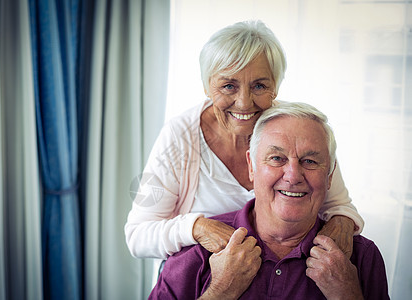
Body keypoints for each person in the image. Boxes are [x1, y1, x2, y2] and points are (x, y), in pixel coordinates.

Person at [125, 20, 363, 262]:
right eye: (229, 86)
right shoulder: (178, 137)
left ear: (276, 87)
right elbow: (138, 235)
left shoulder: (296, 128)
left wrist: (342, 221)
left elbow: (339, 206)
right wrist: (196, 228)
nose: (244, 103)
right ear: (207, 86)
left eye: (259, 85)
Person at [149, 102, 389, 299]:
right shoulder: (197, 253)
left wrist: (348, 295)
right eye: (276, 158)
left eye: (310, 161)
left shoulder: (360, 258)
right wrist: (221, 291)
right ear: (251, 167)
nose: (293, 176)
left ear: (330, 175)